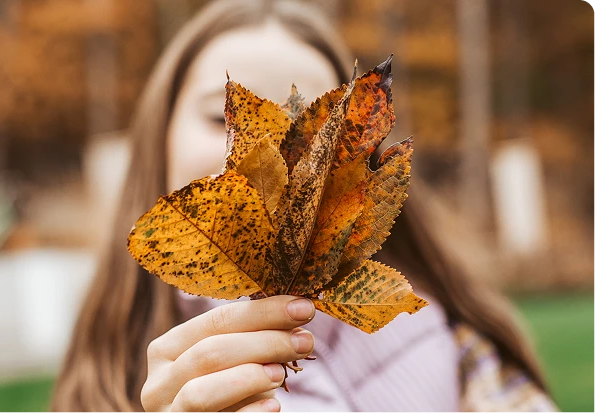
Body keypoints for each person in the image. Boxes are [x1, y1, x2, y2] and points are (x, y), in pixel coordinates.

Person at [51, 1, 558, 412]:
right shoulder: (100, 389)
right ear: (157, 139)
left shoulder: (452, 349)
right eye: (221, 114)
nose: (261, 150)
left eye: (310, 129)